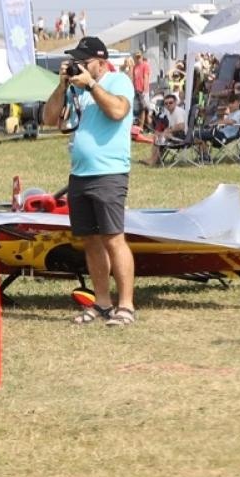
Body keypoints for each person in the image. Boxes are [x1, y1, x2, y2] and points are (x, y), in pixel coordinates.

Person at [41, 36, 136, 327]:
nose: (79, 65)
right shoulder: (76, 89)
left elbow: (118, 111)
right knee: (90, 241)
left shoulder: (118, 81)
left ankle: (126, 306)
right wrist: (63, 85)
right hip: (80, 175)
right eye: (76, 61)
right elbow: (49, 118)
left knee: (113, 238)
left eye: (85, 61)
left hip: (109, 173)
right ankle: (102, 302)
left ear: (101, 62)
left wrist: (92, 86)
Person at [148, 91, 188, 166]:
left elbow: (181, 126)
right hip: (175, 135)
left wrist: (167, 131)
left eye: (170, 102)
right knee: (157, 135)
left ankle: (153, 160)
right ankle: (153, 159)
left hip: (182, 137)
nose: (168, 105)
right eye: (166, 103)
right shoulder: (169, 112)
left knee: (162, 136)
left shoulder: (178, 111)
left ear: (175, 102)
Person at [130, 52, 153, 127]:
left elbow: (146, 77)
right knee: (139, 109)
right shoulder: (135, 67)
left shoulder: (145, 65)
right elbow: (134, 79)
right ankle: (141, 126)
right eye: (137, 57)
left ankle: (142, 126)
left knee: (144, 108)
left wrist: (145, 90)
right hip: (137, 90)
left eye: (139, 57)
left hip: (143, 90)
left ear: (142, 57)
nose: (138, 59)